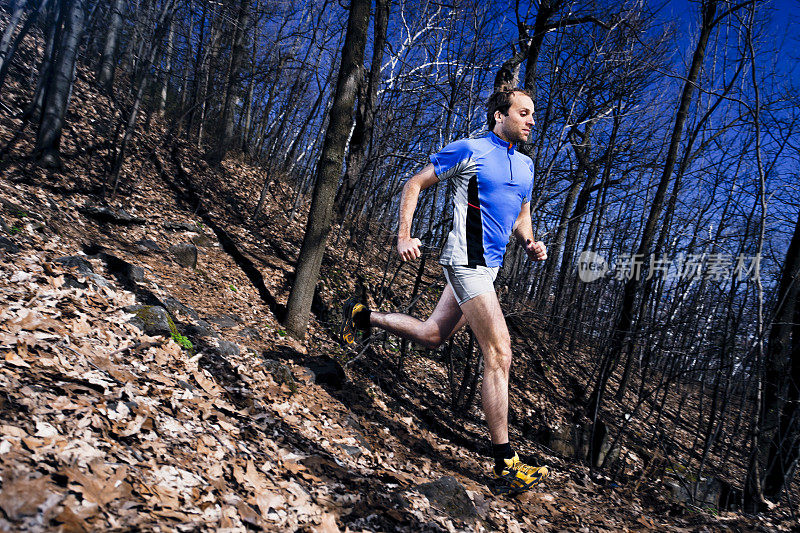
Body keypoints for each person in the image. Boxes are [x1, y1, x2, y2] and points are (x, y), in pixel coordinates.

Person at [340, 88, 550, 494]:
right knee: (500, 352)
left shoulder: (526, 167)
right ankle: (505, 464)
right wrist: (404, 234)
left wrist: (529, 241)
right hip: (463, 260)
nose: (531, 120)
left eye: (533, 115)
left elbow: (522, 215)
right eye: (523, 113)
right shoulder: (469, 149)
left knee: (433, 334)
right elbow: (414, 183)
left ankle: (362, 316)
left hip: (488, 268)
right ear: (499, 115)